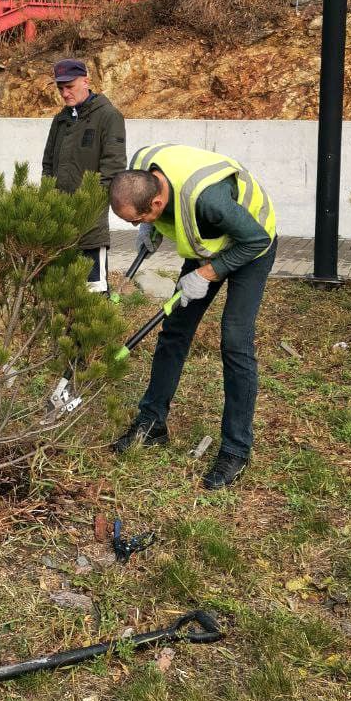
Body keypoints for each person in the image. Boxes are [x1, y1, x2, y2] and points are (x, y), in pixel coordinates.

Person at [108, 143, 277, 490]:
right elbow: (168, 214)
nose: (135, 225)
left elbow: (255, 241)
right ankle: (152, 422)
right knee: (174, 330)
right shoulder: (142, 170)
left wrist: (207, 275)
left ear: (155, 203)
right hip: (208, 242)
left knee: (235, 341)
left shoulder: (208, 200)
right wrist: (150, 229)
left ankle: (235, 449)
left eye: (137, 219)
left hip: (252, 244)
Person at [41, 58, 126, 294]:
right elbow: (48, 164)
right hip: (58, 219)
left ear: (86, 81)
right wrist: (47, 199)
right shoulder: (61, 120)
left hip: (90, 223)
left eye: (70, 86)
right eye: (60, 88)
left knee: (94, 291)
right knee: (61, 288)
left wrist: (88, 206)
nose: (65, 93)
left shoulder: (109, 116)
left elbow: (114, 167)